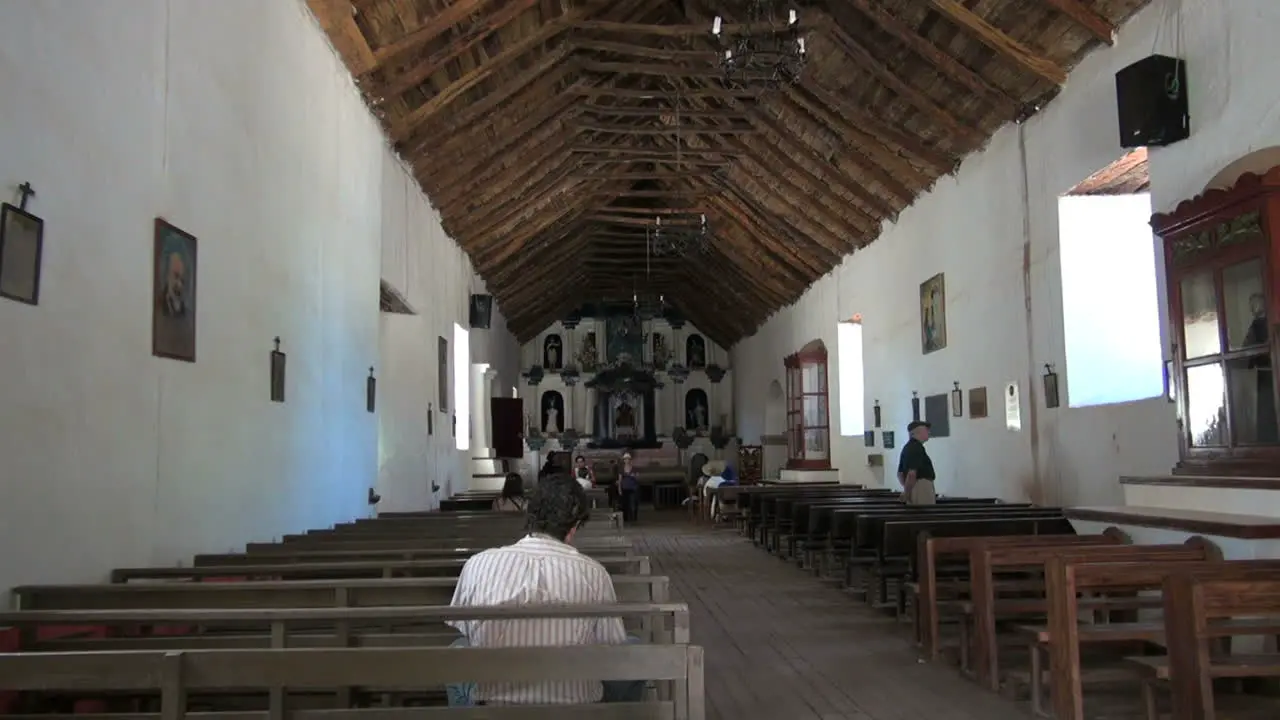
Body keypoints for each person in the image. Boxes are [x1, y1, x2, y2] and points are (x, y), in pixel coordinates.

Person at [446, 475, 644, 706]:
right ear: (574, 527)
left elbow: (468, 632)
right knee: (633, 648)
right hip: (574, 708)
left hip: (494, 706)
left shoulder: (478, 563)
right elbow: (611, 647)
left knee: (457, 649)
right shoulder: (593, 572)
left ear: (530, 514)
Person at [897, 420, 937, 505]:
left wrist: (907, 488)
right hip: (921, 487)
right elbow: (912, 473)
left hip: (915, 486)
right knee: (925, 514)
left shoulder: (908, 447)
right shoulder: (916, 448)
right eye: (926, 430)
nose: (929, 433)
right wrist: (907, 492)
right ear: (916, 432)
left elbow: (900, 473)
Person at [618, 452, 640, 523]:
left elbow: (638, 478)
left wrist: (635, 476)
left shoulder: (634, 469)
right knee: (625, 504)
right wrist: (619, 489)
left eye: (628, 459)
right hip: (624, 489)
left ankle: (633, 518)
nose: (627, 461)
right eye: (625, 459)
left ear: (630, 460)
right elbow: (620, 480)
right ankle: (626, 519)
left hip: (633, 489)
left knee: (632, 504)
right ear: (624, 460)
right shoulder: (622, 469)